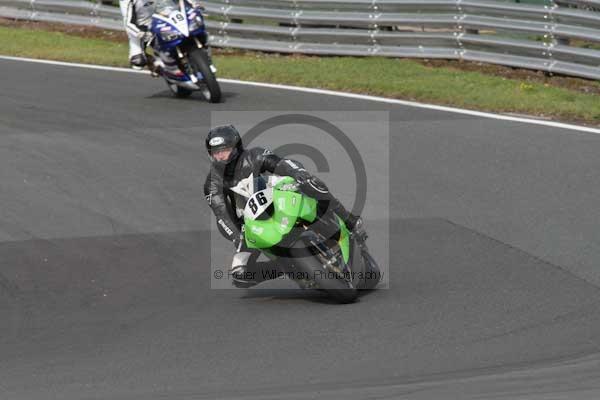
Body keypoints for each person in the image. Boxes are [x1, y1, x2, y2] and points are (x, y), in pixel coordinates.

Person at [204, 125, 367, 288]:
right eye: (215, 152)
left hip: (277, 199)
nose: (220, 156)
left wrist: (297, 172)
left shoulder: (255, 155)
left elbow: (282, 163)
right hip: (250, 226)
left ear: (236, 147)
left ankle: (348, 219)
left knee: (310, 182)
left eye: (224, 150)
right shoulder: (212, 183)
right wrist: (236, 236)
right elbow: (221, 215)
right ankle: (287, 267)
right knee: (241, 275)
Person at [118, 0, 204, 69]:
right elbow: (128, 24)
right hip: (142, 28)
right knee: (137, 62)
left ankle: (203, 55)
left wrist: (194, 4)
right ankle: (156, 64)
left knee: (196, 29)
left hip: (165, 17)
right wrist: (142, 34)